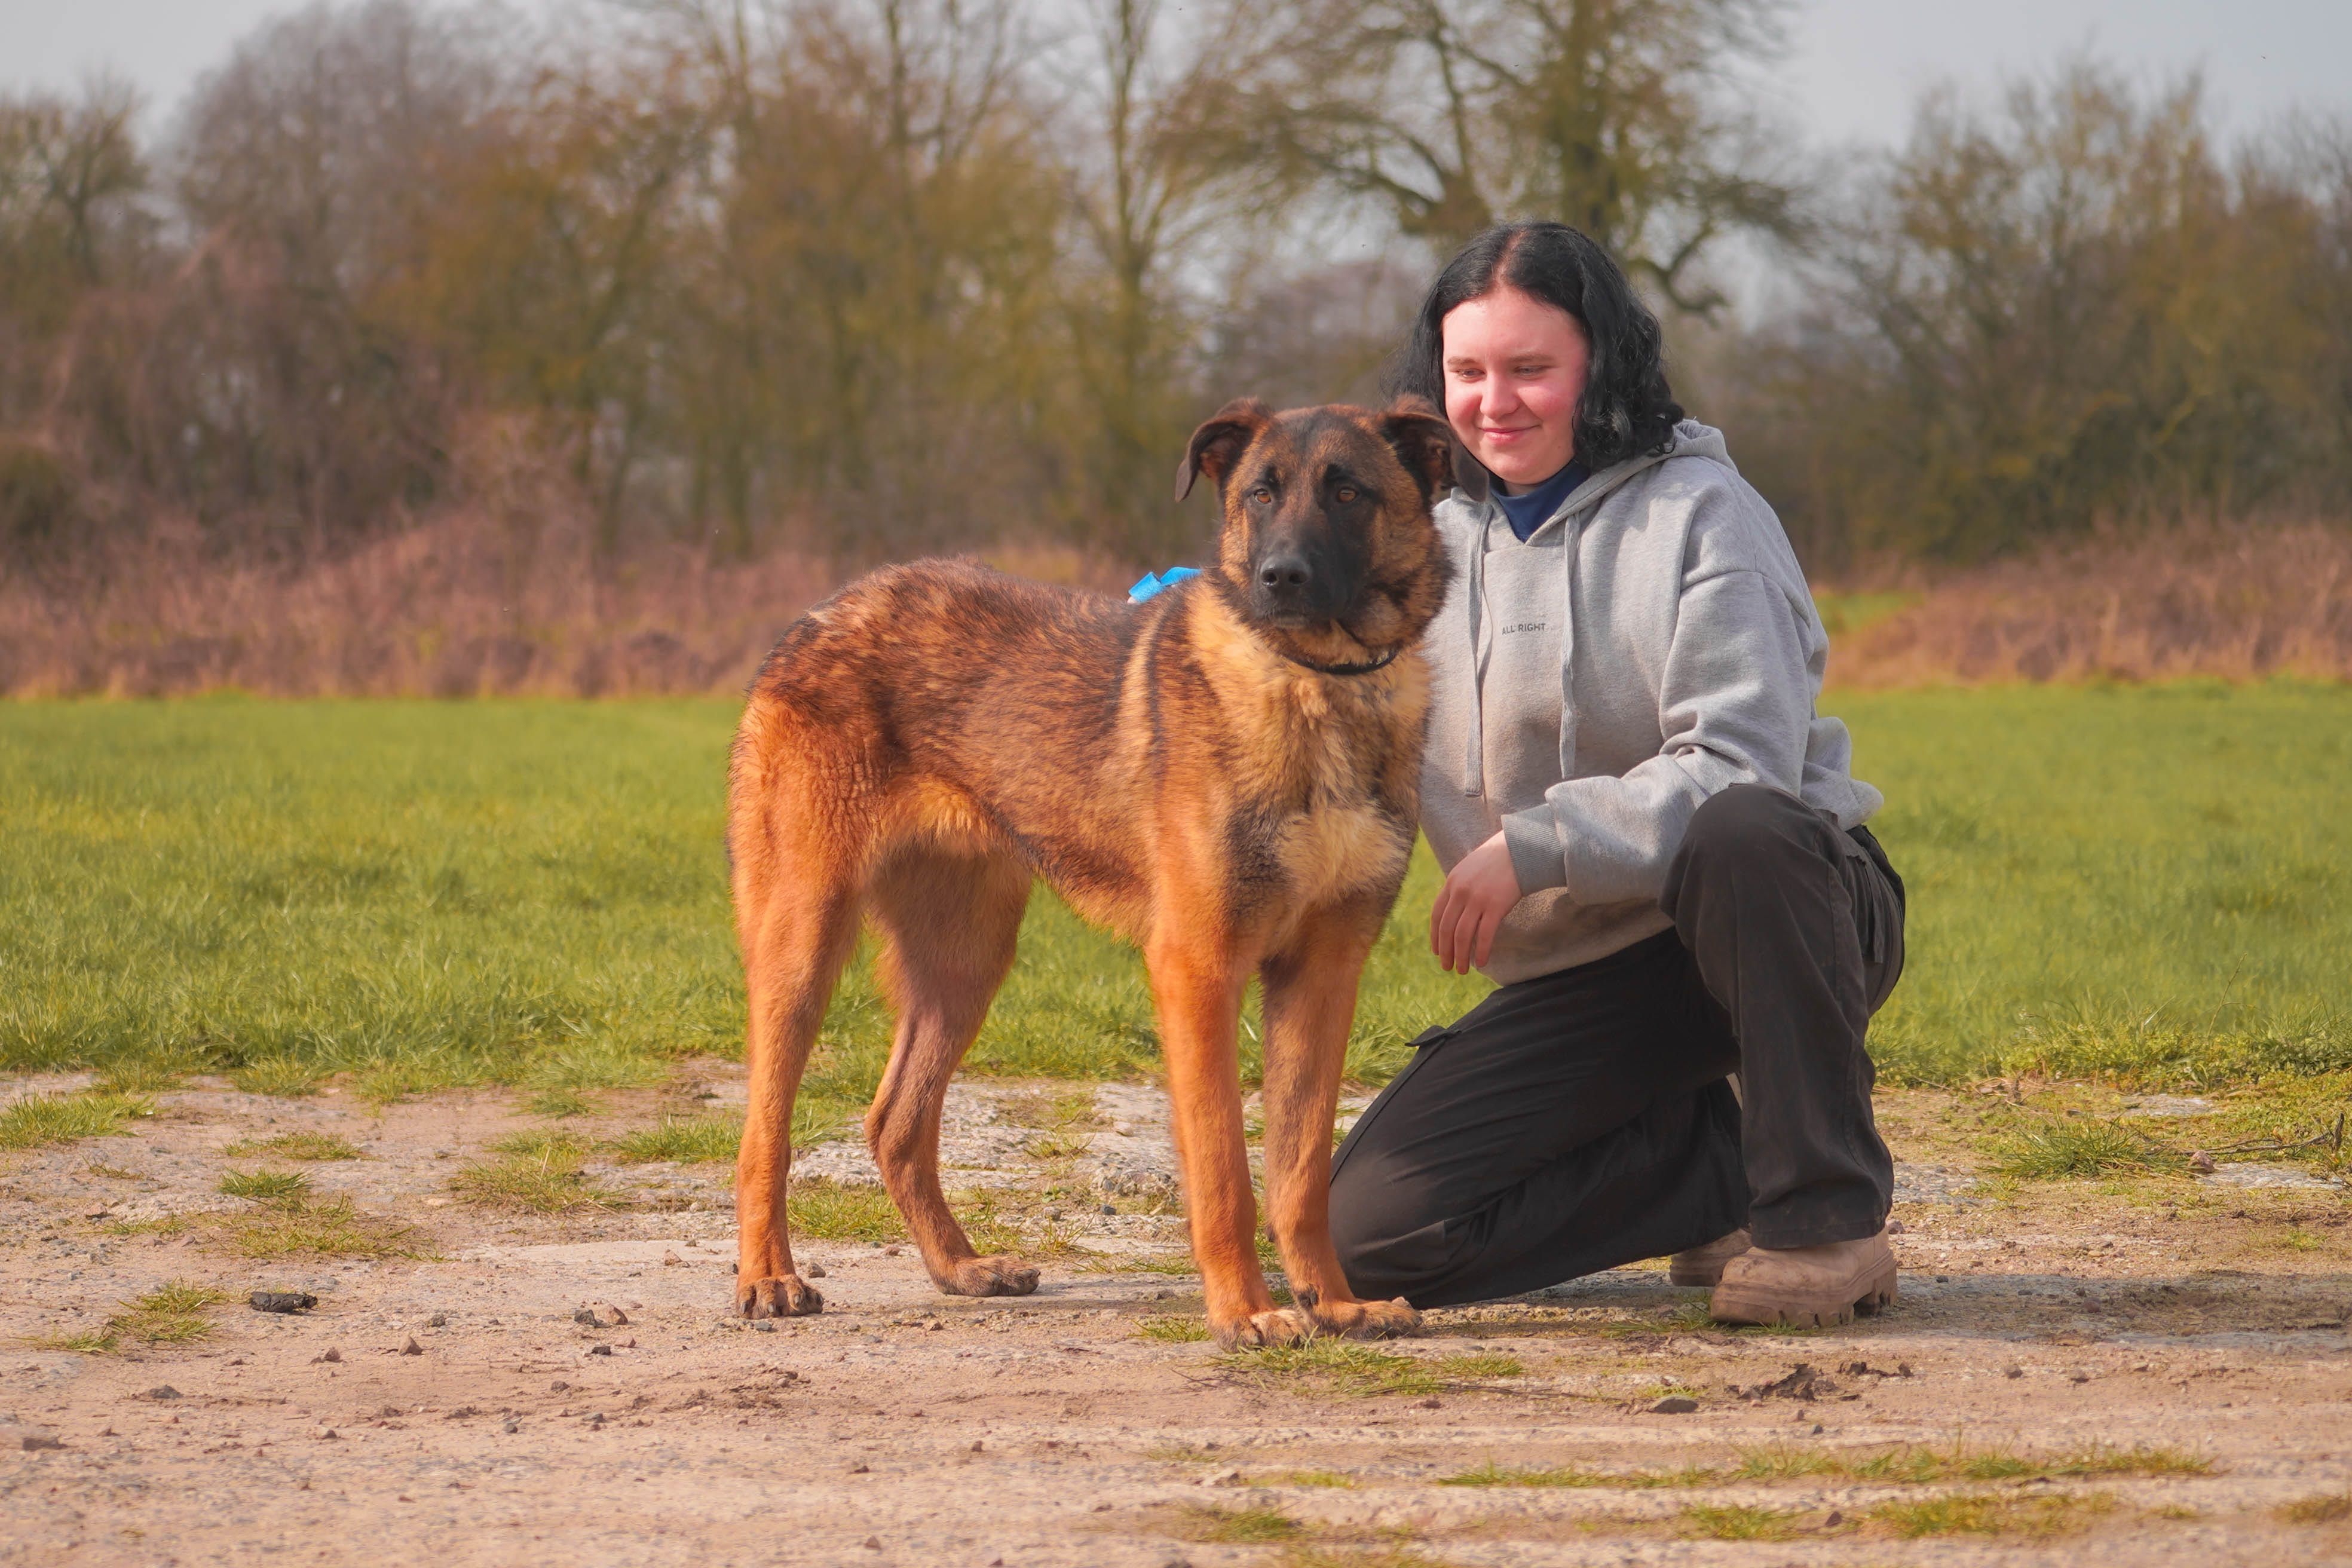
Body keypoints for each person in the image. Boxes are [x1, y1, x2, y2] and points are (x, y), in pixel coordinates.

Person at [1326, 220, 1907, 1327]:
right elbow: (1320, 678)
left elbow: (1744, 762)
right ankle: (1713, 1168)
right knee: (1371, 1237)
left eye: (1532, 369)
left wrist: (1533, 847)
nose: (1496, 401)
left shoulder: (1703, 514)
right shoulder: (1415, 544)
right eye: (1468, 372)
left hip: (1780, 918)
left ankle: (1825, 1222)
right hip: (1581, 968)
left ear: (1600, 362)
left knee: (1746, 826)